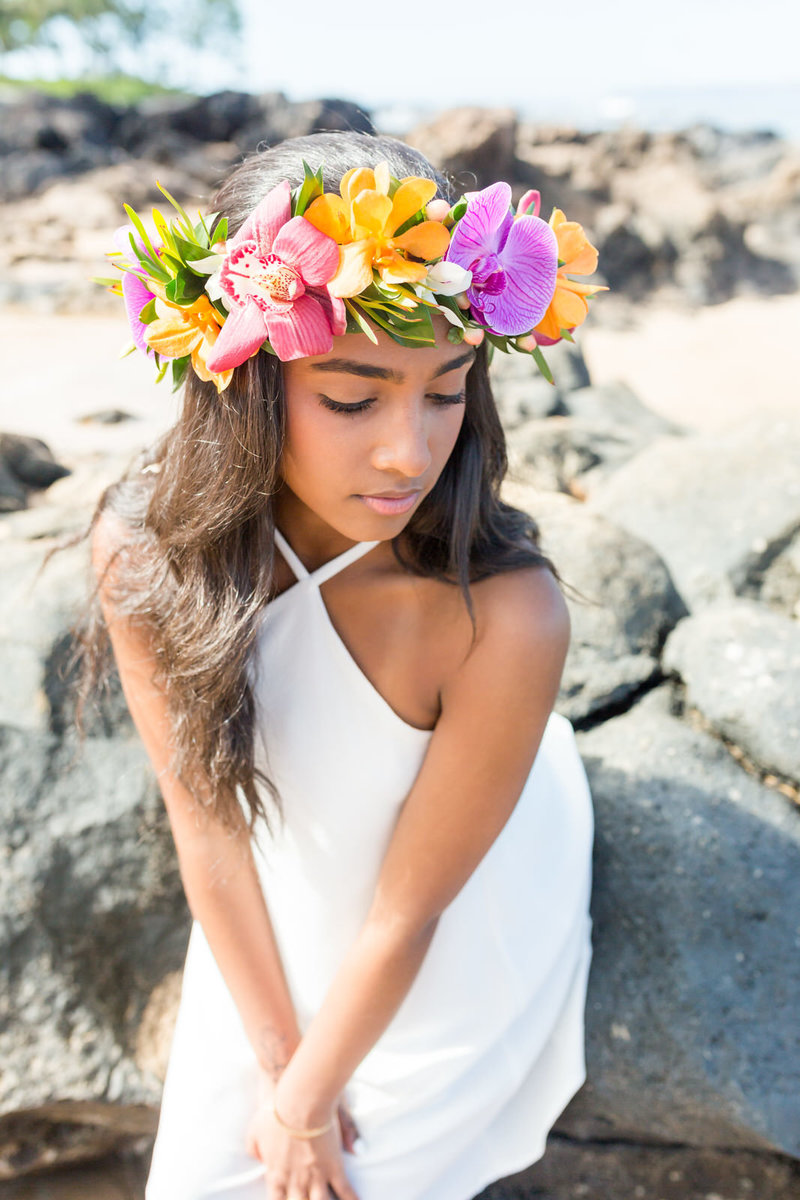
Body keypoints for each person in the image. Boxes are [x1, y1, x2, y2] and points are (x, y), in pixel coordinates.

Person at [84, 130, 598, 1200]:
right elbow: (206, 823)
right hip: (271, 907)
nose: (409, 452)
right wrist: (276, 1061)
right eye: (354, 398)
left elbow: (408, 911)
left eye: (446, 391)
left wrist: (310, 1101)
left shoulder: (502, 612)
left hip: (450, 924)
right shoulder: (143, 556)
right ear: (242, 383)